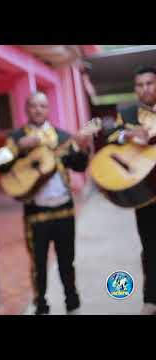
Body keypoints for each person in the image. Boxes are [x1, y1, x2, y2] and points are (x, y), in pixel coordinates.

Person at [0, 92, 91, 315]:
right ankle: (41, 305)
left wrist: (81, 146)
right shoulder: (17, 137)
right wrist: (19, 148)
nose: (38, 110)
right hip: (35, 211)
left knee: (67, 261)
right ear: (26, 109)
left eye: (42, 106)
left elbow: (79, 166)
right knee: (38, 263)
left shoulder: (62, 136)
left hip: (63, 209)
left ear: (48, 109)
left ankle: (72, 301)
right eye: (33, 106)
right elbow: (0, 167)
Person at [102, 65, 156, 315]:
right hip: (145, 192)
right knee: (150, 247)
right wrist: (129, 136)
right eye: (140, 85)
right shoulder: (128, 112)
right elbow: (111, 135)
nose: (145, 88)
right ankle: (151, 299)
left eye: (149, 83)